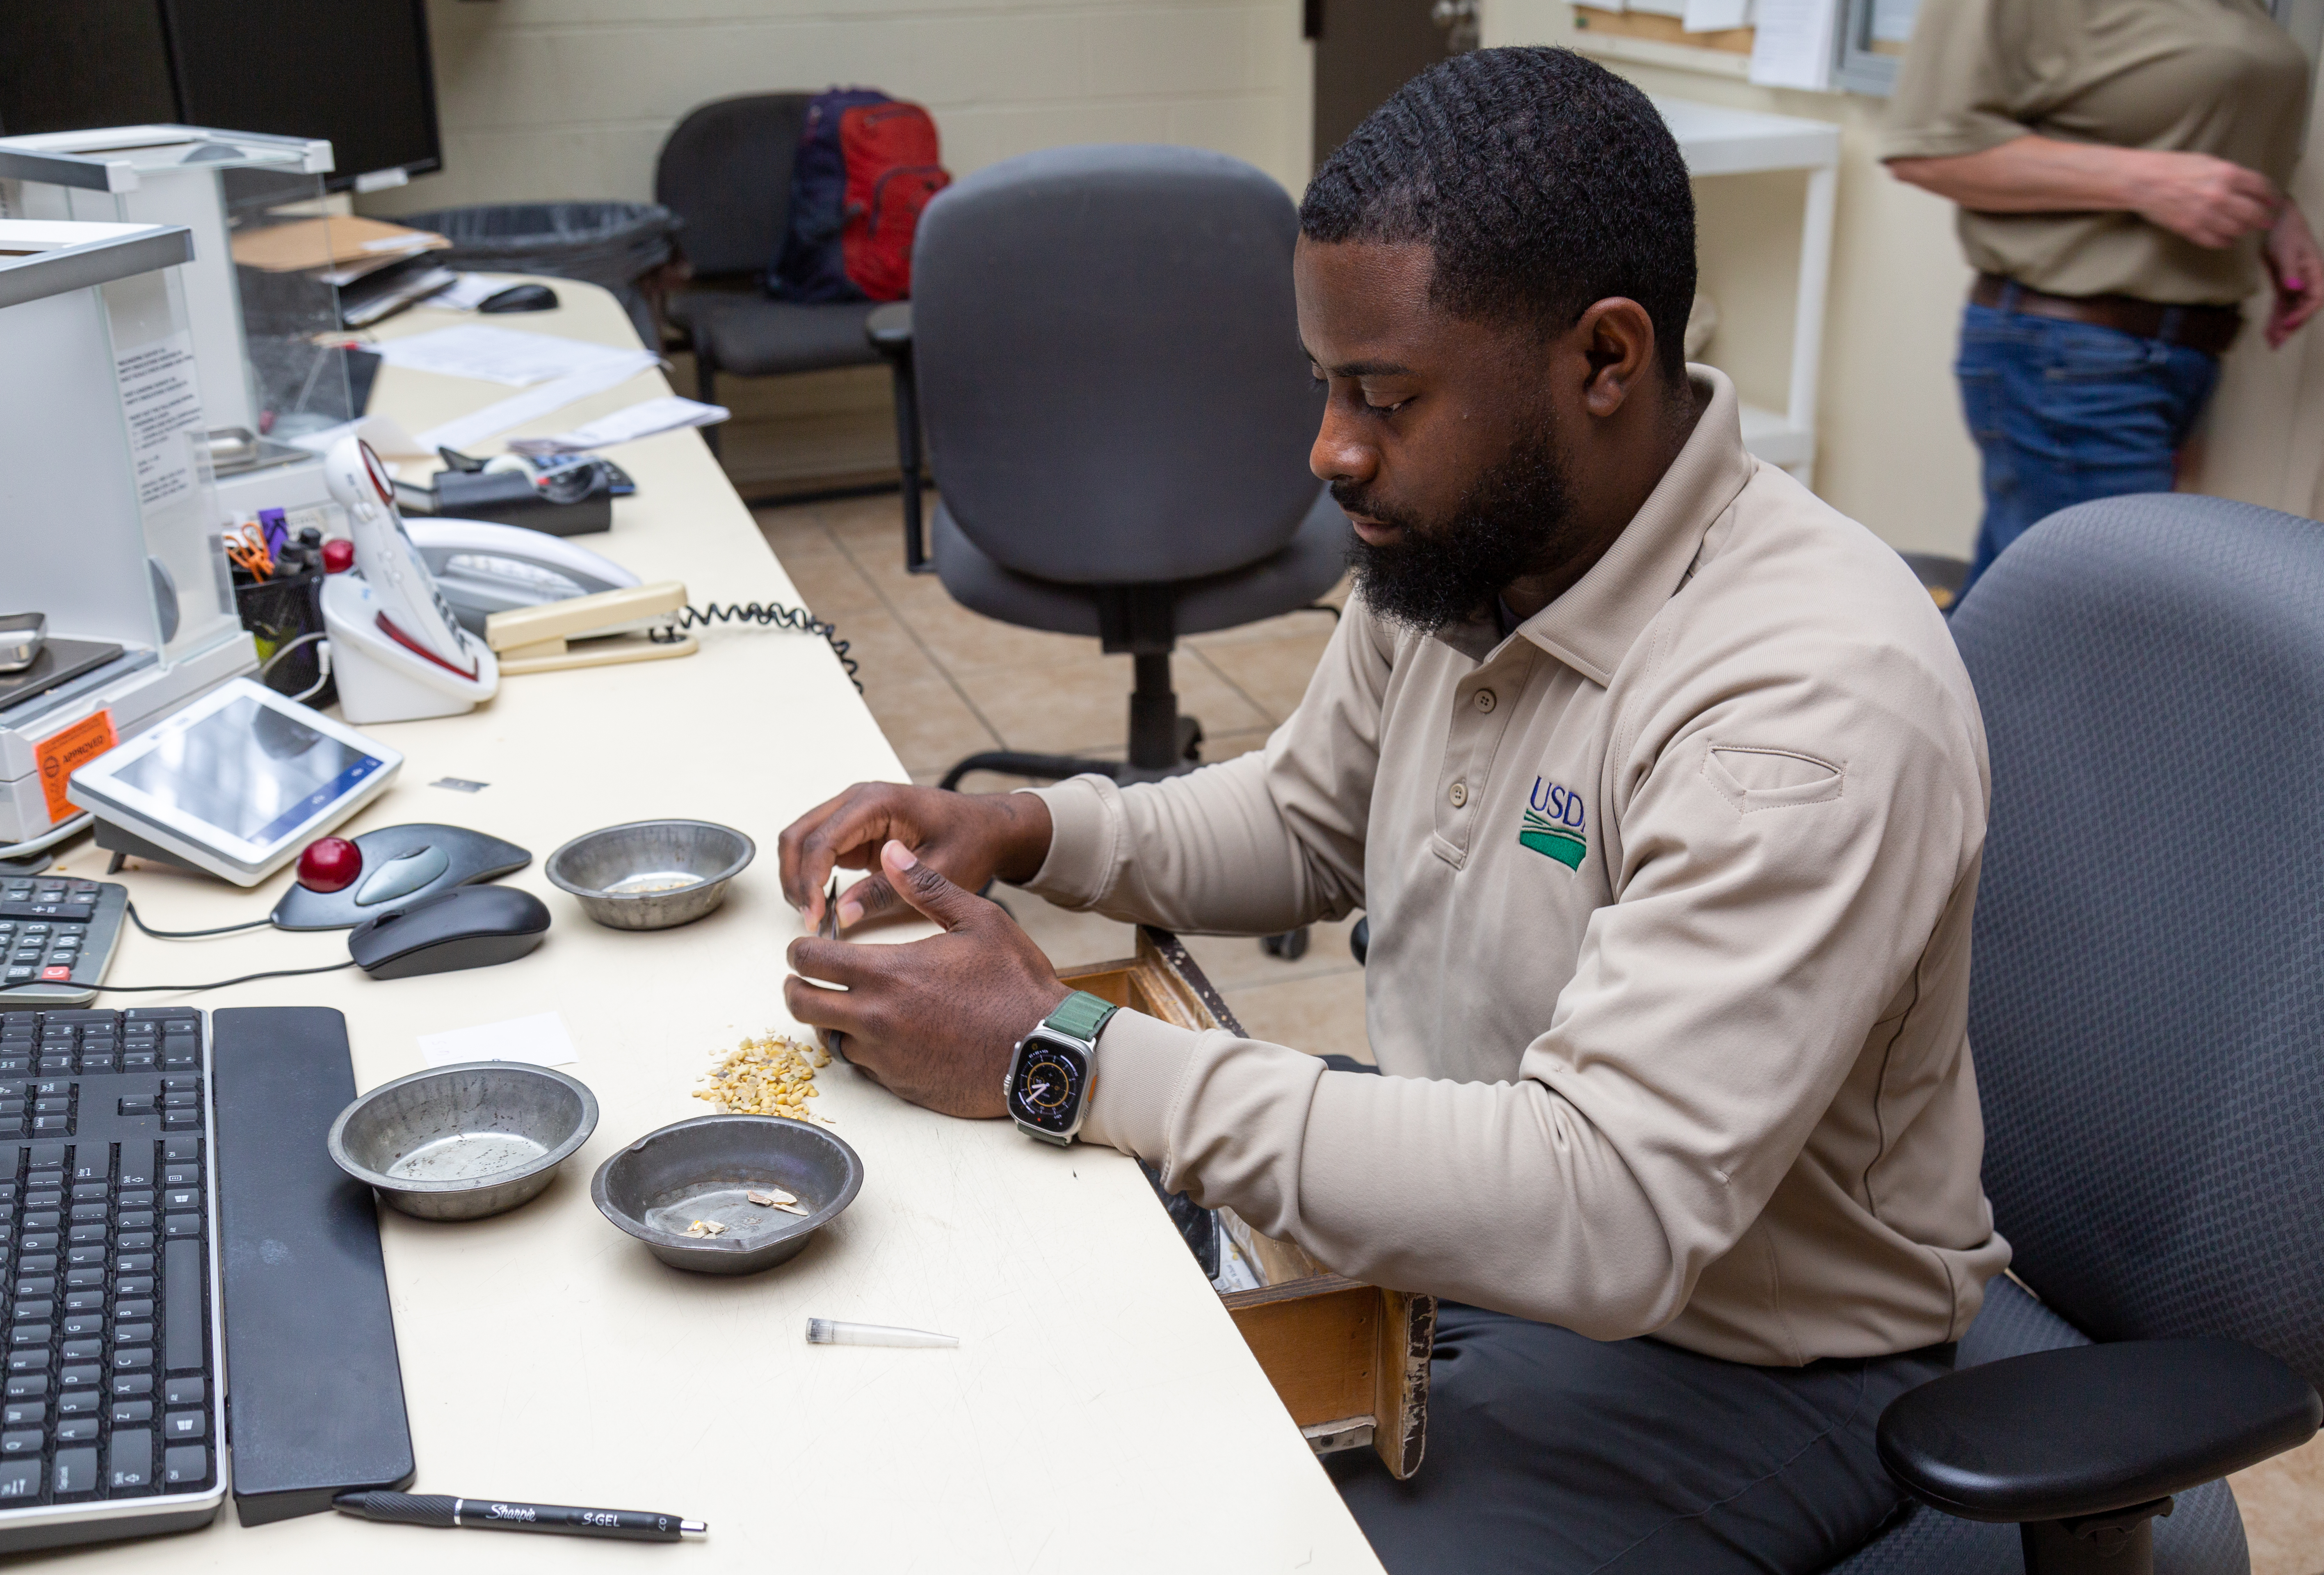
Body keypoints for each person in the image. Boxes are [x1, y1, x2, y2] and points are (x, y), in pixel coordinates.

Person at [778, 47, 2006, 1575]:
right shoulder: (1467, 543)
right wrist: (1033, 836)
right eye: (1324, 384)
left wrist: (1062, 1054)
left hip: (1743, 1363)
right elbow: (1306, 818)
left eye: (1386, 395)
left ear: (1605, 360)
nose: (1331, 450)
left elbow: (1607, 1204)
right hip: (1485, 1233)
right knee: (1027, 1398)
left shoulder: (1808, 700)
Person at [1885, 0, 2321, 590]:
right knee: (2098, 627)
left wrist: (2273, 213)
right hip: (2072, 358)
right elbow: (1928, 148)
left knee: (2025, 620)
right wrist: (2147, 182)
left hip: (2175, 355)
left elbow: (2183, 111)